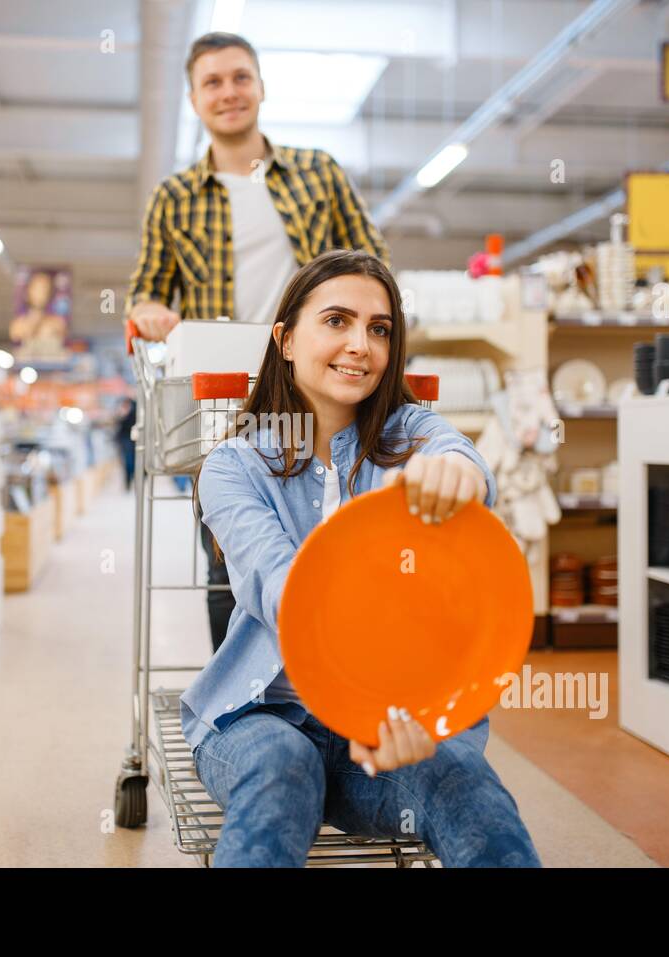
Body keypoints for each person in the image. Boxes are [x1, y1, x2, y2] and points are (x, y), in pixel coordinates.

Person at [183, 249, 541, 867]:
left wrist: (456, 474)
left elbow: (461, 457)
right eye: (337, 321)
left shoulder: (410, 437)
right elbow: (287, 592)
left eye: (379, 329)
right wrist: (370, 700)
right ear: (286, 338)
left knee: (466, 785)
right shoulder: (234, 466)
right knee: (280, 765)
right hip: (259, 716)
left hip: (386, 734)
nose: (360, 345)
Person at [126, 30, 390, 652]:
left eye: (240, 77)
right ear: (194, 99)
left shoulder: (318, 174)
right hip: (223, 405)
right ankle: (241, 705)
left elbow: (375, 264)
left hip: (320, 388)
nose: (229, 92)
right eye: (212, 82)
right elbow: (143, 294)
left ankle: (334, 688)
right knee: (231, 558)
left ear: (261, 87)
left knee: (332, 538)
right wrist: (150, 313)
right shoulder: (174, 198)